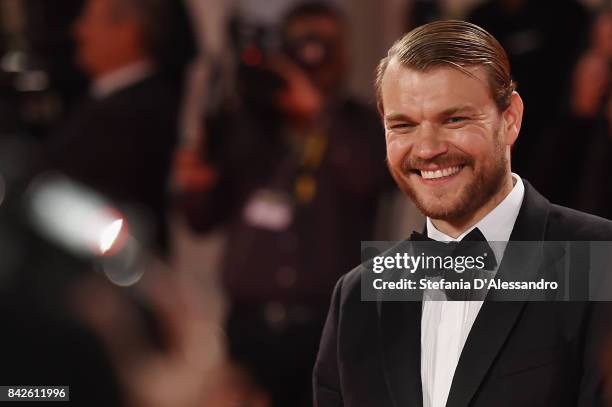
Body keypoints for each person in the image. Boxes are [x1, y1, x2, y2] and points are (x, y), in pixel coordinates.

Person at [313, 20, 612, 407]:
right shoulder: (357, 296)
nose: (427, 149)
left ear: (510, 119)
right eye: (403, 126)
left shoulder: (598, 260)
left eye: (454, 119)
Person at [178, 3, 389, 406]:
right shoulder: (248, 125)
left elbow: (368, 181)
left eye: (328, 44)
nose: (316, 56)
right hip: (249, 327)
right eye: (304, 44)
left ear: (346, 53)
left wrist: (318, 115)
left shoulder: (365, 127)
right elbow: (200, 219)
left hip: (331, 329)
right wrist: (194, 184)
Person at [42, 0, 196, 256]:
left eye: (89, 21)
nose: (78, 31)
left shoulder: (135, 114)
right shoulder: (115, 102)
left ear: (128, 31)